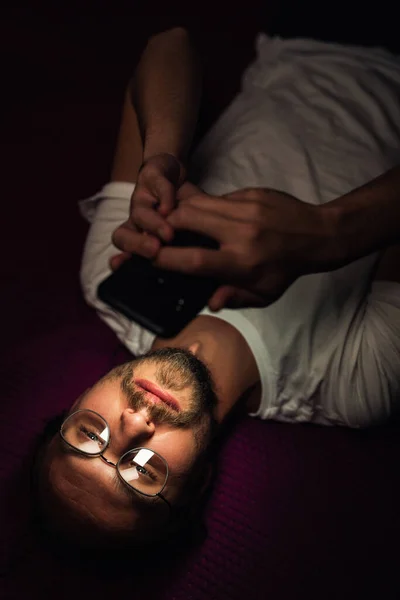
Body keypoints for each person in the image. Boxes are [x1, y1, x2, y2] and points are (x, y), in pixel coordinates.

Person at [35, 26, 400, 550]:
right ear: (199, 483)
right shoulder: (354, 382)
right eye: (142, 474)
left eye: (89, 435)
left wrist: (160, 159)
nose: (135, 423)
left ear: (73, 404)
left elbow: (169, 44)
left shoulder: (112, 277)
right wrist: (327, 236)